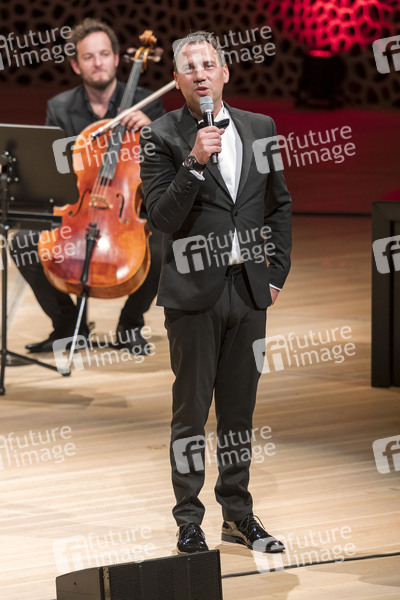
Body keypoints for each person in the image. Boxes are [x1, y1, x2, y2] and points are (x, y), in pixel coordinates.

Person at [139, 31, 292, 554]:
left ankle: (238, 516)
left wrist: (275, 274)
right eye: (189, 67)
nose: (200, 74)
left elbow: (278, 204)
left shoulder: (260, 127)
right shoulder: (161, 135)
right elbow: (162, 217)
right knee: (191, 413)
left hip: (249, 291)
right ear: (176, 80)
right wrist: (194, 161)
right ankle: (188, 519)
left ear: (225, 72)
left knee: (239, 412)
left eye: (208, 64)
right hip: (193, 296)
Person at [10, 18, 164, 354]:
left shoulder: (146, 102)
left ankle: (130, 325)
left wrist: (154, 131)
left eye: (104, 54)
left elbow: (165, 166)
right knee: (22, 242)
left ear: (116, 58)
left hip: (127, 207)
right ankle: (69, 325)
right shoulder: (60, 107)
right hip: (78, 204)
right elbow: (54, 170)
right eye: (89, 57)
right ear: (76, 65)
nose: (98, 63)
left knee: (162, 245)